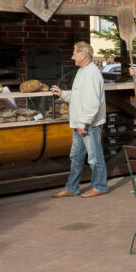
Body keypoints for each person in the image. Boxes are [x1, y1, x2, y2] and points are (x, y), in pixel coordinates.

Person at [50, 41, 108, 198]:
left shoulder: (92, 73)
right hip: (79, 124)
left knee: (95, 157)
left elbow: (92, 102)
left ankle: (100, 186)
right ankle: (72, 187)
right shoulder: (83, 71)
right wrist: (62, 93)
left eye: (75, 54)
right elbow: (78, 97)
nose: (72, 57)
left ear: (83, 55)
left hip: (87, 125)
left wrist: (84, 123)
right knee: (76, 157)